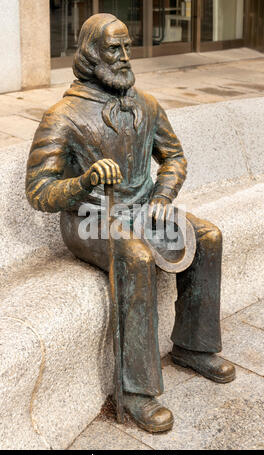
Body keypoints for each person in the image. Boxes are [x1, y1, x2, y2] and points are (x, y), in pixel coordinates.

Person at [26, 13, 235, 433]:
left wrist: (161, 198)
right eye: (114, 49)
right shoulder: (62, 116)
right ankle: (135, 392)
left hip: (144, 211)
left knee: (208, 235)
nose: (125, 57)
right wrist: (84, 181)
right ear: (90, 55)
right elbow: (39, 191)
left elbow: (174, 158)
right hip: (90, 219)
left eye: (127, 47)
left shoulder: (146, 104)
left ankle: (194, 347)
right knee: (136, 258)